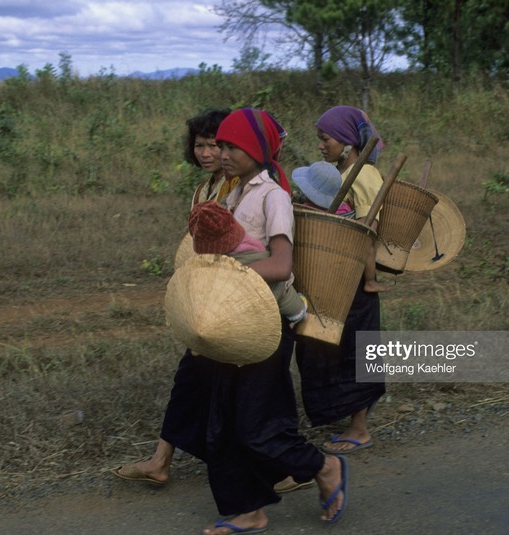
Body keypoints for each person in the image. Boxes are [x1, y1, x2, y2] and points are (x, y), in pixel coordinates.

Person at [186, 107, 347, 534]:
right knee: (221, 421)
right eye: (219, 145)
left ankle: (324, 467)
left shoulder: (272, 195)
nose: (222, 153)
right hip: (234, 317)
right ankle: (248, 510)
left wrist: (229, 275)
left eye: (231, 145)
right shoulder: (231, 191)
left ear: (256, 148)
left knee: (257, 426)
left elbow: (279, 265)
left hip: (267, 323)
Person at [112, 108, 232, 485]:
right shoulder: (205, 190)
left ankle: (290, 466)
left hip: (229, 301)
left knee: (225, 389)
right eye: (200, 145)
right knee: (193, 379)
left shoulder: (239, 187)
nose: (206, 152)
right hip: (206, 298)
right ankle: (161, 460)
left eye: (214, 144)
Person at [294, 105, 387, 457]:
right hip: (335, 277)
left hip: (352, 282)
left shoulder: (363, 176)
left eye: (326, 138)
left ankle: (359, 428)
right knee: (326, 348)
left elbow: (366, 233)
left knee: (349, 352)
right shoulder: (344, 171)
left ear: (348, 142)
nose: (320, 145)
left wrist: (369, 279)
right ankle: (345, 415)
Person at [188, 199, 307, 324]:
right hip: (267, 305)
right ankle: (298, 310)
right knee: (286, 297)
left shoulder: (275, 198)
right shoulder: (251, 243)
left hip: (255, 305)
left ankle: (297, 310)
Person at [292, 160, 386, 292]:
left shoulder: (306, 210)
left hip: (314, 257)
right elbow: (349, 212)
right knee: (368, 249)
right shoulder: (343, 209)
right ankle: (370, 281)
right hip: (338, 253)